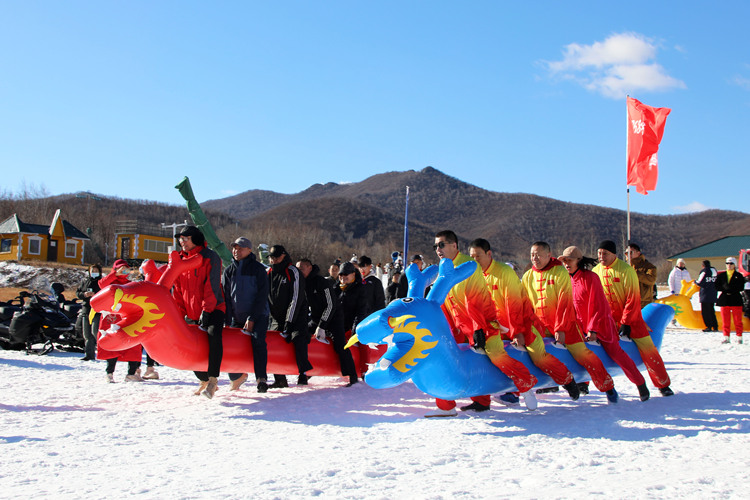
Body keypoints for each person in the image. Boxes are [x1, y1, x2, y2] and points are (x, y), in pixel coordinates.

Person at [427, 230, 538, 417]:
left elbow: (475, 300)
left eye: (441, 245)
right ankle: (452, 405)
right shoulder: (442, 269)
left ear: (454, 245)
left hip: (482, 323)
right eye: (435, 246)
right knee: (445, 354)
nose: (438, 249)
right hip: (459, 325)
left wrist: (479, 329)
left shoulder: (469, 266)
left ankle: (525, 385)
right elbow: (445, 302)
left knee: (495, 354)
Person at [468, 239, 580, 402]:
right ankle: (511, 393)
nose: (474, 261)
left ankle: (567, 380)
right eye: (471, 257)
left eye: (477, 256)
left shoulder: (504, 272)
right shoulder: (476, 277)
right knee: (495, 354)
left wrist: (518, 332)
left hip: (522, 323)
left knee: (538, 356)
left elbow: (514, 306)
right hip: (497, 327)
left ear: (488, 254)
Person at [522, 242, 618, 403]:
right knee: (534, 354)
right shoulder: (527, 276)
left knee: (583, 354)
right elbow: (525, 305)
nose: (535, 258)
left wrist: (560, 328)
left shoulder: (559, 272)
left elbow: (564, 303)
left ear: (548, 254)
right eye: (532, 255)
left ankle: (607, 386)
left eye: (538, 254)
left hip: (565, 325)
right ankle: (559, 383)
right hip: (540, 326)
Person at [558, 246, 651, 402]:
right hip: (580, 327)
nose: (566, 263)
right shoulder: (567, 279)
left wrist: (592, 329)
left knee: (616, 354)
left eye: (570, 260)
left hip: (601, 324)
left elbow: (598, 305)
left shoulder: (590, 277)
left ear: (578, 261)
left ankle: (640, 383)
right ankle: (589, 385)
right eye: (564, 260)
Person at [593, 240, 674, 397]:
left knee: (648, 349)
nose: (601, 257)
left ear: (613, 255)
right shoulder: (596, 271)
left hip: (632, 319)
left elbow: (632, 299)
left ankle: (663, 384)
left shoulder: (626, 270)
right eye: (599, 254)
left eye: (605, 254)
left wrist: (626, 322)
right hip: (608, 320)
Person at [172, 226, 226, 399]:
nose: (182, 242)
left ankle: (212, 379)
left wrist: (207, 310)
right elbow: (178, 290)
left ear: (195, 239)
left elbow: (212, 286)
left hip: (214, 307)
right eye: (180, 239)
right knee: (189, 345)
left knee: (213, 335)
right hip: (191, 312)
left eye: (185, 239)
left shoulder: (210, 257)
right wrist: (179, 315)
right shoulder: (180, 259)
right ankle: (202, 378)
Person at [297, 258, 358, 386]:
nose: (299, 271)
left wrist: (322, 326)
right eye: (297, 269)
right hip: (315, 318)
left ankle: (352, 375)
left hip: (333, 318)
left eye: (301, 268)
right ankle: (304, 372)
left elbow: (331, 305)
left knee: (340, 344)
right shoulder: (301, 283)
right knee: (300, 337)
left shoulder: (321, 282)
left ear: (309, 267)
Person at [223, 237, 270, 393]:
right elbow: (227, 298)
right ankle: (236, 377)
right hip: (237, 317)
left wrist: (252, 318)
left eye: (240, 248)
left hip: (258, 315)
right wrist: (227, 319)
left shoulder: (258, 269)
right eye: (234, 248)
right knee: (231, 346)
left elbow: (262, 296)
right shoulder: (229, 270)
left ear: (249, 250)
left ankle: (261, 378)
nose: (237, 251)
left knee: (258, 342)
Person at [267, 245, 312, 387]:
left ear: (283, 256)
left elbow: (296, 297)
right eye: (271, 257)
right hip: (276, 316)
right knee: (273, 343)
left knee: (298, 338)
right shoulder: (269, 273)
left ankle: (303, 374)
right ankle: (279, 378)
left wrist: (289, 320)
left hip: (296, 314)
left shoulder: (293, 272)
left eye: (276, 257)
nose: (273, 260)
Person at [97, 260, 144, 382]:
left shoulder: (130, 284)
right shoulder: (109, 283)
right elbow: (101, 284)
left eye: (125, 269)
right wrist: (115, 274)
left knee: (133, 344)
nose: (123, 271)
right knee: (112, 345)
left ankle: (131, 373)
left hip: (127, 317)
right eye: (121, 269)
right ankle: (109, 373)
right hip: (111, 318)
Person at [716, 257, 745, 344]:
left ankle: (739, 337)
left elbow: (741, 287)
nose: (729, 265)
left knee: (737, 320)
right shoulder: (721, 275)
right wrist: (725, 289)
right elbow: (717, 286)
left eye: (731, 263)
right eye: (727, 263)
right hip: (725, 299)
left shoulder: (739, 276)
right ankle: (726, 337)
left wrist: (730, 289)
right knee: (725, 321)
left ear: (734, 265)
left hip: (735, 299)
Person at [76, 263, 102, 361]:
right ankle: (89, 354)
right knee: (86, 334)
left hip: (97, 310)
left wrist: (96, 295)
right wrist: (84, 294)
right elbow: (78, 293)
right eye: (92, 271)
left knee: (95, 332)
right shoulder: (84, 281)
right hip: (86, 309)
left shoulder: (101, 282)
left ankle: (103, 352)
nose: (94, 273)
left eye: (96, 271)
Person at [695, 260, 719, 332]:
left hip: (705, 294)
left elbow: (700, 282)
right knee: (712, 311)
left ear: (703, 265)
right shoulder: (714, 271)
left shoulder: (704, 271)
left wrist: (695, 282)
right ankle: (715, 326)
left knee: (705, 312)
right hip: (713, 293)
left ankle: (708, 326)